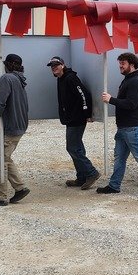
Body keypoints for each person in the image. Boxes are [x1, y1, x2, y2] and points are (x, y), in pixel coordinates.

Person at [97, 52, 138, 195]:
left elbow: (131, 104)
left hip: (133, 128)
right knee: (119, 157)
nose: (120, 66)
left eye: (123, 63)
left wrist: (111, 100)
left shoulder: (135, 81)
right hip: (125, 128)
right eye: (120, 63)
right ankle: (114, 185)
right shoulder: (129, 79)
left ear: (132, 64)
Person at [0, 53, 31, 207]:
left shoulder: (6, 78)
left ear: (7, 64)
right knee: (5, 157)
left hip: (10, 126)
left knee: (0, 161)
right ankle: (20, 188)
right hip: (20, 124)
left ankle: (0, 196)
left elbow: (0, 101)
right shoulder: (19, 79)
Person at [48, 56, 99, 190]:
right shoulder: (61, 79)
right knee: (77, 147)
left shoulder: (70, 78)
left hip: (77, 118)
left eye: (56, 65)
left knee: (72, 148)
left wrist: (87, 114)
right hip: (71, 118)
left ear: (63, 65)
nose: (54, 68)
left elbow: (84, 95)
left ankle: (92, 173)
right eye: (52, 66)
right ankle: (82, 177)